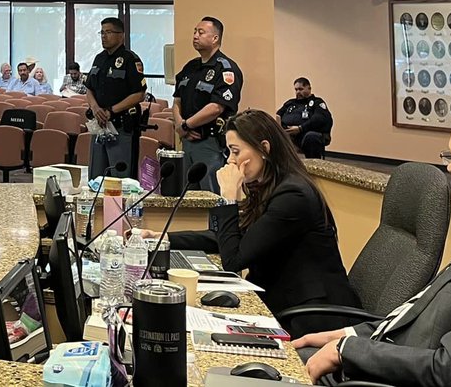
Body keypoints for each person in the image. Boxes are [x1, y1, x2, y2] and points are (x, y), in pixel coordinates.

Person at [295, 111, 451, 387]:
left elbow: (450, 371)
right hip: (379, 357)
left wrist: (348, 350)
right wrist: (347, 335)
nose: (448, 167)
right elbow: (417, 319)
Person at [145, 110, 358, 338]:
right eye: (228, 152)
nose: (230, 160)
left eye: (236, 152)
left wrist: (228, 198)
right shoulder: (272, 185)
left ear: (264, 148)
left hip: (312, 315)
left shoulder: (293, 195)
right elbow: (235, 236)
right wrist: (164, 237)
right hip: (285, 301)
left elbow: (234, 260)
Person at [173, 16, 242, 192]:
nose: (195, 36)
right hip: (187, 140)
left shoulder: (226, 69)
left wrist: (186, 125)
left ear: (215, 38)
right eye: (194, 32)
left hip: (209, 142)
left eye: (201, 32)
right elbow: (177, 101)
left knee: (211, 196)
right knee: (187, 195)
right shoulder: (190, 67)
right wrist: (180, 126)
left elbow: (216, 107)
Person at [85, 17, 148, 179]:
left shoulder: (130, 60)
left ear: (121, 35)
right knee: (97, 177)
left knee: (120, 177)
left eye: (109, 32)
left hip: (121, 125)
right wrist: (95, 108)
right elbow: (89, 88)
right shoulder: (99, 58)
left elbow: (139, 94)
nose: (104, 36)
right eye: (102, 32)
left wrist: (111, 111)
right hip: (99, 125)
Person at [276, 77, 333, 158]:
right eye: (296, 90)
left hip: (306, 134)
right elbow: (278, 115)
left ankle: (314, 167)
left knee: (311, 137)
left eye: (301, 89)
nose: (298, 92)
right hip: (287, 134)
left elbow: (319, 119)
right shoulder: (290, 103)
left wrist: (300, 128)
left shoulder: (317, 102)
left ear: (309, 88)